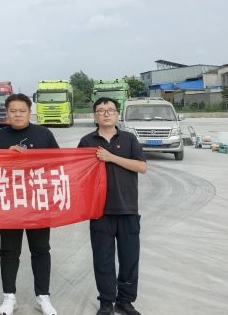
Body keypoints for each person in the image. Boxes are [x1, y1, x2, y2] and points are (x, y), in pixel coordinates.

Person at [0, 93, 58, 315]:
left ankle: (43, 297)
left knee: (41, 250)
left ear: (29, 112)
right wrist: (4, 156)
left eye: (22, 111)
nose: (17, 114)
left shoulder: (44, 134)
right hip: (9, 203)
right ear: (7, 113)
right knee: (9, 251)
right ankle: (9, 297)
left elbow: (59, 163)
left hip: (38, 202)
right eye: (13, 111)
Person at [78, 98, 147, 315]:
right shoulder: (87, 141)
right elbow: (77, 172)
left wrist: (111, 157)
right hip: (100, 212)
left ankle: (125, 301)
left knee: (129, 259)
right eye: (101, 110)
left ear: (117, 114)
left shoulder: (129, 139)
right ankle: (106, 302)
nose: (106, 114)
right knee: (103, 260)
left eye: (110, 110)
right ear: (95, 115)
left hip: (128, 209)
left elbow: (141, 167)